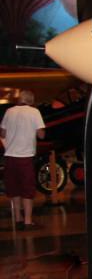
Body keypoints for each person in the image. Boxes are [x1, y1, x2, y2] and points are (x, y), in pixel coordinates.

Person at [1, 90, 46, 229]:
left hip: (10, 156)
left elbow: (3, 133)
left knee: (14, 188)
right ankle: (28, 220)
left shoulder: (9, 111)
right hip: (25, 156)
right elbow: (41, 135)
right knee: (27, 190)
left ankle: (18, 218)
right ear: (31, 100)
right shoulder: (34, 112)